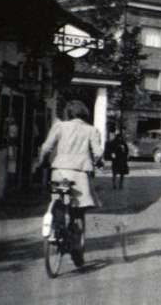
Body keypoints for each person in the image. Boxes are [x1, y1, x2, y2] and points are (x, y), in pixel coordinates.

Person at [38, 100, 104, 238]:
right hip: (79, 174)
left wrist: (42, 161)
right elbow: (98, 153)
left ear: (67, 113)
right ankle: (75, 239)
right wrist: (97, 162)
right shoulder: (91, 130)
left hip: (59, 172)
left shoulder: (59, 126)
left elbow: (46, 147)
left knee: (59, 199)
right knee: (78, 206)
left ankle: (57, 231)